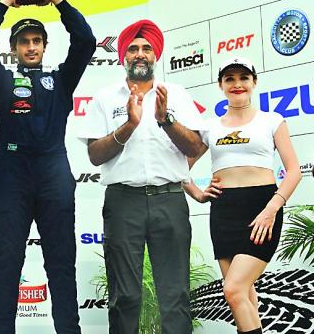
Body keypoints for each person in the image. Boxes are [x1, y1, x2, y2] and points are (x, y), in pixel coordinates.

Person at [0, 0, 95, 333]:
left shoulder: (61, 80)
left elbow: (86, 41)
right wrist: (3, 5)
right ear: (13, 48)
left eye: (36, 41)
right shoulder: (3, 83)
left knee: (60, 264)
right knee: (7, 262)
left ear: (44, 46)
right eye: (24, 42)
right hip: (13, 177)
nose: (31, 47)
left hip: (54, 175)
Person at [78, 20, 206, 334]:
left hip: (170, 201)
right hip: (123, 203)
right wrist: (129, 126)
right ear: (123, 55)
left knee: (175, 295)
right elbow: (95, 155)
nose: (140, 54)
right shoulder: (106, 97)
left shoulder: (175, 94)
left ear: (155, 55)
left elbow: (196, 144)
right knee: (125, 297)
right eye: (133, 48)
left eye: (146, 48)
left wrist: (167, 120)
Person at [184, 57, 302, 334]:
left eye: (243, 78)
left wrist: (271, 209)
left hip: (263, 208)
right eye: (230, 79)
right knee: (243, 294)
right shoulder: (210, 126)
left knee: (233, 289)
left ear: (254, 82)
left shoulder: (272, 120)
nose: (237, 84)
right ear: (221, 85)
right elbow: (180, 168)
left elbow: (294, 170)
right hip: (224, 211)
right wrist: (198, 194)